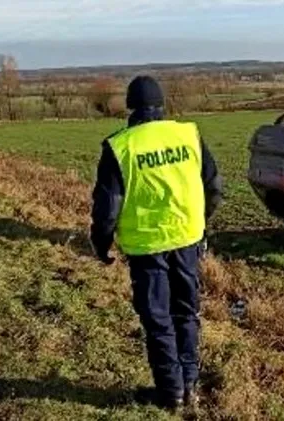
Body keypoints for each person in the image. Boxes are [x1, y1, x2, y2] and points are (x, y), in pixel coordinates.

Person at [90, 75, 223, 411]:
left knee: (158, 318)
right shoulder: (188, 135)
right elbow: (214, 186)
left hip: (147, 247)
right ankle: (190, 383)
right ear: (162, 104)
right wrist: (201, 223)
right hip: (188, 240)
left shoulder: (121, 146)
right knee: (186, 312)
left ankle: (171, 392)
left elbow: (107, 209)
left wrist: (101, 244)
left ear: (130, 107)